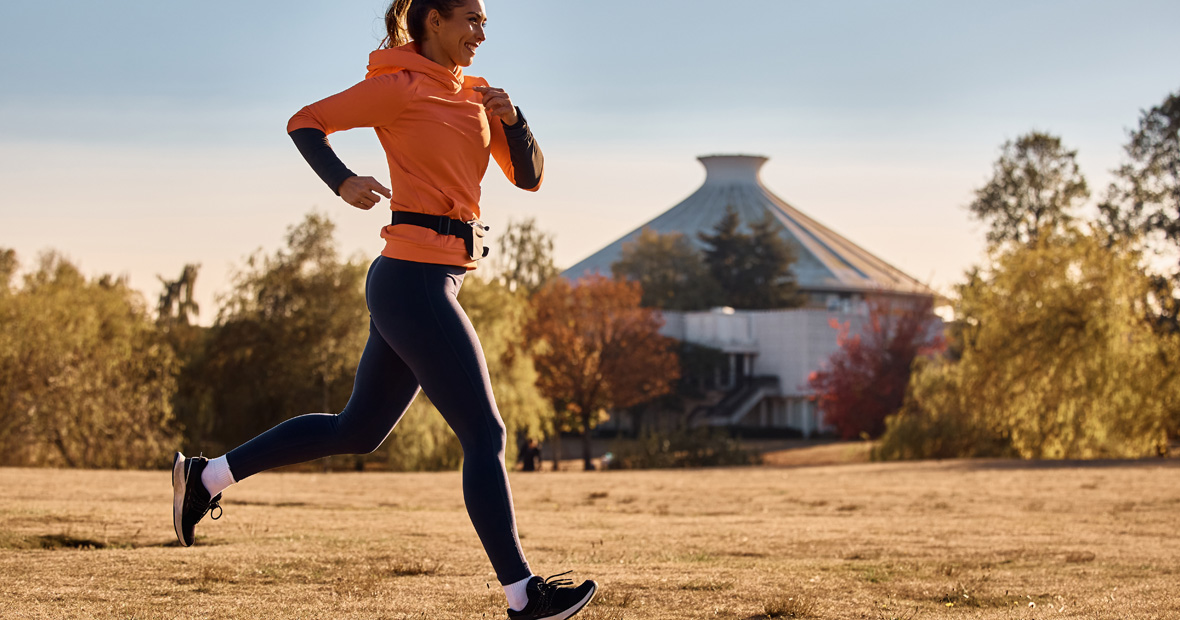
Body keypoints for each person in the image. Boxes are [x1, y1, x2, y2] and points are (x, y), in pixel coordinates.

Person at [170, 1, 597, 618]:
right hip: (412, 282)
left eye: (484, 21)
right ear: (433, 22)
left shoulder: (479, 94)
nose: (481, 31)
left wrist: (515, 118)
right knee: (487, 433)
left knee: (357, 430)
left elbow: (528, 178)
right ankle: (521, 594)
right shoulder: (395, 88)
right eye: (470, 19)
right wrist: (342, 181)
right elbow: (305, 121)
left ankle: (207, 477)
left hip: (430, 281)